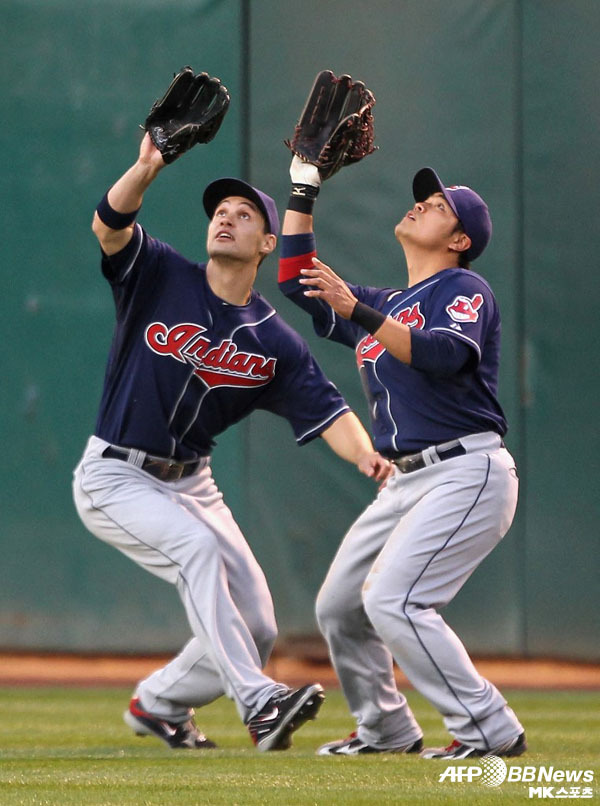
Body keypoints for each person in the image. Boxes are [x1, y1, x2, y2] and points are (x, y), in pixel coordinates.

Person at [72, 132, 391, 753]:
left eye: (244, 215)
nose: (227, 217)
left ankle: (159, 704)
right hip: (114, 472)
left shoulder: (274, 341)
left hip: (192, 479)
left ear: (267, 245)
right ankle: (260, 702)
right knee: (196, 551)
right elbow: (109, 225)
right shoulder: (160, 274)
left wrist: (365, 454)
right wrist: (144, 167)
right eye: (220, 211)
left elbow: (329, 412)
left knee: (259, 623)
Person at [277, 155, 527, 758]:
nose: (420, 204)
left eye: (437, 206)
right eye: (423, 198)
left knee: (395, 599)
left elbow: (442, 356)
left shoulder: (466, 288)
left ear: (460, 239)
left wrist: (358, 311)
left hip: (466, 471)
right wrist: (303, 188)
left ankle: (488, 730)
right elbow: (293, 280)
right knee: (339, 606)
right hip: (406, 480)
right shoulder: (386, 299)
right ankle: (386, 729)